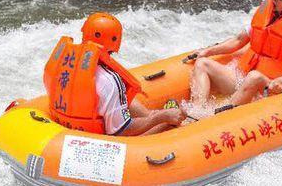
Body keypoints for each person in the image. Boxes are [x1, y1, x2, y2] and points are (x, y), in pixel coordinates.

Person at [44, 12, 185, 136]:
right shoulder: (109, 80)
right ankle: (160, 115)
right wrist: (160, 118)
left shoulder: (59, 65)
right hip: (100, 139)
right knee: (168, 124)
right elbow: (122, 130)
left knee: (122, 97)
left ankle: (150, 114)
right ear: (115, 41)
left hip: (65, 127)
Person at [191, 0, 282, 106]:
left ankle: (218, 119)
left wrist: (281, 81)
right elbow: (238, 40)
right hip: (245, 78)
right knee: (202, 63)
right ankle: (196, 112)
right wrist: (207, 51)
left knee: (254, 76)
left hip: (271, 86)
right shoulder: (266, 14)